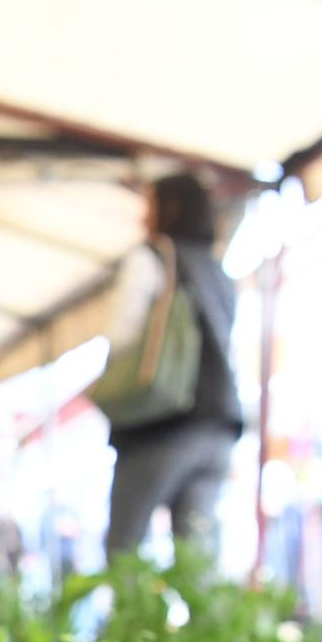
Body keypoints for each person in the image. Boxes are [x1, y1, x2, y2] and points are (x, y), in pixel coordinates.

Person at [103, 173, 239, 560]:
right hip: (219, 427)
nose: (144, 218)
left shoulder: (153, 257)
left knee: (125, 550)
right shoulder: (218, 272)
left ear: (170, 208)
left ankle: (130, 622)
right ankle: (203, 623)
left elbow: (120, 336)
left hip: (161, 423)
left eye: (149, 206)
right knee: (196, 561)